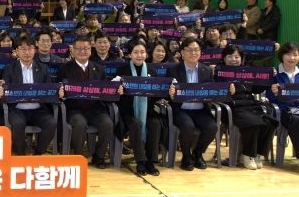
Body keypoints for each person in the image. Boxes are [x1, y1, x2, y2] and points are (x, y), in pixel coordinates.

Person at [57, 35, 114, 168]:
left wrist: (115, 91)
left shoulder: (99, 69)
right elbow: (58, 90)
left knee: (107, 124)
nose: (82, 51)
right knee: (79, 123)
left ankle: (99, 156)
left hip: (95, 109)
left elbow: (105, 90)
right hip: (74, 109)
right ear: (73, 50)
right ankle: (79, 156)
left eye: (86, 48)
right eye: (79, 49)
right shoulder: (65, 69)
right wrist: (60, 93)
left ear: (90, 50)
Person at [220, 45, 277, 170]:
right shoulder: (219, 73)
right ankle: (247, 155)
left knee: (270, 122)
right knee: (254, 123)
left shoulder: (247, 72)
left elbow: (257, 89)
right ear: (224, 58)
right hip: (232, 107)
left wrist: (269, 77)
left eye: (237, 57)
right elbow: (215, 92)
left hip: (250, 106)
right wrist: (226, 90)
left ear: (241, 59)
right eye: (230, 56)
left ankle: (257, 154)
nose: (233, 59)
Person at [0, 36, 59, 155]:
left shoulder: (43, 69)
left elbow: (49, 90)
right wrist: (1, 92)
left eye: (30, 48)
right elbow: (4, 92)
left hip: (38, 109)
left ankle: (38, 153)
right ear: (17, 51)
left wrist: (58, 92)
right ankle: (21, 155)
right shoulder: (9, 69)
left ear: (34, 50)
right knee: (18, 124)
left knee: (51, 123)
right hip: (17, 109)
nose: (27, 52)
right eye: (23, 49)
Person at [114, 41, 162, 176]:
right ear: (130, 54)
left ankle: (151, 161)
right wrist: (118, 91)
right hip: (128, 111)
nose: (139, 55)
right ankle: (140, 161)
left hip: (148, 111)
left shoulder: (152, 71)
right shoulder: (122, 71)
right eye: (135, 52)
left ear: (146, 54)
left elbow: (157, 95)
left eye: (142, 52)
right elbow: (115, 95)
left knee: (155, 123)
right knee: (135, 124)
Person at [168, 38, 216, 171]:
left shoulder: (207, 70)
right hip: (181, 109)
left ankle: (198, 153)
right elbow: (166, 93)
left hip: (200, 109)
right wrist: (170, 94)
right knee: (187, 126)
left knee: (212, 127)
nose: (193, 53)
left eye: (196, 50)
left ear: (200, 52)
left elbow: (212, 91)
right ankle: (186, 156)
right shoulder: (173, 70)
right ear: (182, 53)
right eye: (189, 50)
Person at [267, 42, 299, 160]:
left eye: (295, 55)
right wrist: (275, 93)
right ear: (282, 56)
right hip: (283, 111)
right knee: (297, 120)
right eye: (288, 54)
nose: (292, 58)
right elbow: (269, 97)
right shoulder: (274, 73)